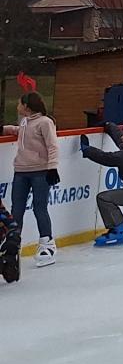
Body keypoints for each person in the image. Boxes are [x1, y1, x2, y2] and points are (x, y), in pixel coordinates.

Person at [4, 90, 59, 267]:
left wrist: (52, 168)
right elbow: (22, 132)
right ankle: (13, 244)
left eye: (19, 103)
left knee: (39, 207)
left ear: (26, 106)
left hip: (40, 172)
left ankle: (47, 244)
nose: (17, 106)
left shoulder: (45, 122)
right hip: (20, 171)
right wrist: (5, 129)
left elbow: (52, 145)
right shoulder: (25, 121)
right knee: (16, 210)